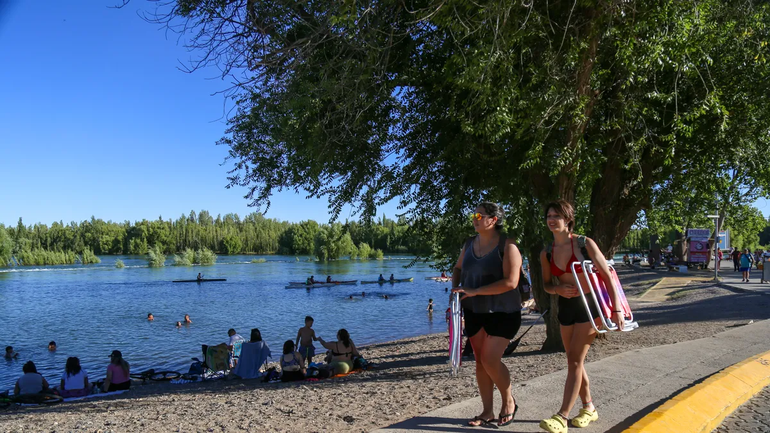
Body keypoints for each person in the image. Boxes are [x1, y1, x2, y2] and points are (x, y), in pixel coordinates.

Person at [538, 200, 625, 433]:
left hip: (590, 306)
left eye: (557, 215)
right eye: (549, 215)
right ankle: (589, 408)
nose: (552, 219)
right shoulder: (546, 252)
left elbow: (607, 276)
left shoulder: (584, 244)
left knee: (576, 361)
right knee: (573, 361)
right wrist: (557, 290)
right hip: (566, 308)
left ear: (568, 219)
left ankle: (562, 416)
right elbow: (546, 285)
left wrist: (616, 310)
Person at [451, 202, 523, 427]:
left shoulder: (508, 245)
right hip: (474, 312)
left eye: (479, 215)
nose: (474, 218)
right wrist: (455, 294)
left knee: (490, 360)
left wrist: (475, 291)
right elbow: (457, 269)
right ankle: (487, 412)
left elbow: (511, 282)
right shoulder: (469, 244)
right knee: (481, 363)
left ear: (493, 220)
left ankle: (509, 401)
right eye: (473, 214)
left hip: (503, 312)